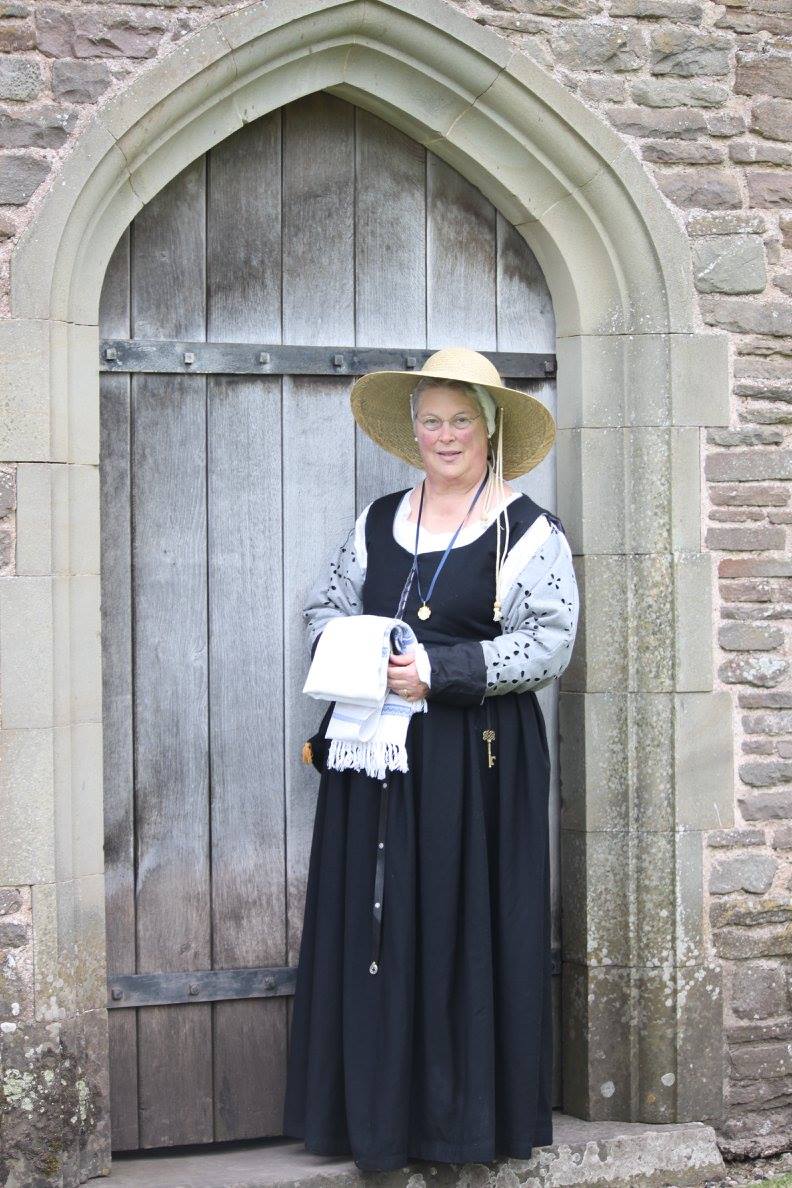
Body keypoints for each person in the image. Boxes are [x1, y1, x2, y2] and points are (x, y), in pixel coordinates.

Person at [281, 347, 580, 1171]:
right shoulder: (378, 519)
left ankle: (456, 1127)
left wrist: (440, 673)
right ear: (412, 431)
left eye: (459, 420)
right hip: (370, 756)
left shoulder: (529, 531)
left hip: (472, 761)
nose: (444, 435)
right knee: (375, 924)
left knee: (454, 921)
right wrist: (357, 654)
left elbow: (550, 644)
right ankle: (369, 1117)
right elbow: (325, 605)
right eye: (430, 420)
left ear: (489, 431)